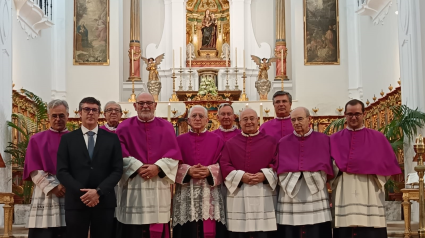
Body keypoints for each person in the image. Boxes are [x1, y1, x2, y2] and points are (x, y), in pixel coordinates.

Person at [330, 99, 402, 238]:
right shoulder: (334, 139)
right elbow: (327, 166)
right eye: (350, 114)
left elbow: (386, 166)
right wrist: (337, 166)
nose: (354, 117)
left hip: (370, 189)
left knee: (370, 229)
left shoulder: (378, 138)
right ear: (345, 115)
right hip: (345, 188)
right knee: (345, 228)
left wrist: (369, 166)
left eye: (357, 113)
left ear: (364, 114)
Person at [115, 92, 182, 238]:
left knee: (157, 224)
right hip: (133, 185)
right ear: (135, 106)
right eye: (141, 103)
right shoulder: (123, 127)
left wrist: (157, 167)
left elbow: (174, 155)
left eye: (149, 103)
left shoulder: (167, 126)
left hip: (158, 184)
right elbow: (119, 154)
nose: (145, 106)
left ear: (155, 105)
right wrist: (137, 167)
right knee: (132, 228)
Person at [56, 97, 123, 238]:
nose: (90, 113)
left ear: (99, 114)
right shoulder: (68, 139)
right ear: (79, 113)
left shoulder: (112, 139)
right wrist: (84, 193)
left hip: (104, 200)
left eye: (94, 110)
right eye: (86, 109)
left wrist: (98, 192)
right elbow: (62, 171)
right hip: (76, 200)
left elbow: (117, 170)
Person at [220, 108, 278, 238]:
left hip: (264, 192)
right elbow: (224, 164)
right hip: (239, 193)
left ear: (258, 120)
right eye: (245, 119)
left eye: (252, 118)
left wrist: (264, 175)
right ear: (239, 122)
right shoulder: (231, 144)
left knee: (264, 232)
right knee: (239, 232)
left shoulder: (271, 142)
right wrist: (241, 176)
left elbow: (278, 163)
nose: (249, 122)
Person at [276, 107, 333, 238]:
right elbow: (280, 168)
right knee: (291, 229)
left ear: (309, 119)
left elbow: (328, 165)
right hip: (290, 193)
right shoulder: (283, 142)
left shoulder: (324, 140)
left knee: (316, 228)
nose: (296, 123)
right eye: (293, 120)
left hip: (315, 191)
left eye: (300, 119)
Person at [173, 105, 226, 238]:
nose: (197, 119)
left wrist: (210, 171)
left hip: (210, 190)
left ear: (207, 120)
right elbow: (171, 164)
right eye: (194, 116)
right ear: (188, 120)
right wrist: (187, 170)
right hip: (186, 191)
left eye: (201, 116)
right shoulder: (178, 140)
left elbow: (224, 164)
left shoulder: (218, 140)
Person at [23, 99, 69, 238]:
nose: (58, 119)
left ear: (67, 115)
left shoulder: (77, 138)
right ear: (48, 116)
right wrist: (53, 187)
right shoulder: (36, 139)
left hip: (69, 192)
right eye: (54, 116)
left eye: (61, 115)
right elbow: (33, 168)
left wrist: (67, 184)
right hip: (45, 193)